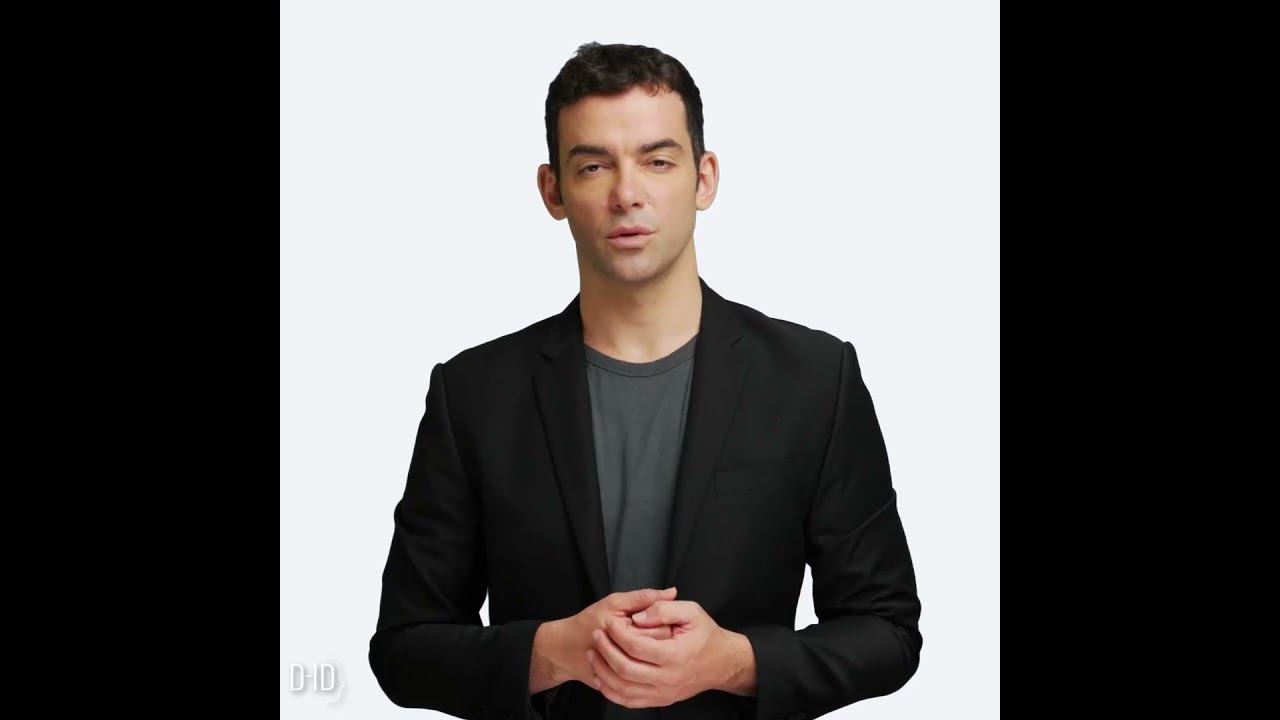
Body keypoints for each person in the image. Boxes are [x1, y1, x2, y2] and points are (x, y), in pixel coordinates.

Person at [369, 42, 923, 720]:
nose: (626, 193)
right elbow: (405, 648)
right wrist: (552, 652)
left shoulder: (814, 380)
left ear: (704, 178)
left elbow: (887, 630)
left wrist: (735, 662)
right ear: (553, 191)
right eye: (593, 165)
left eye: (658, 161)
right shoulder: (473, 395)